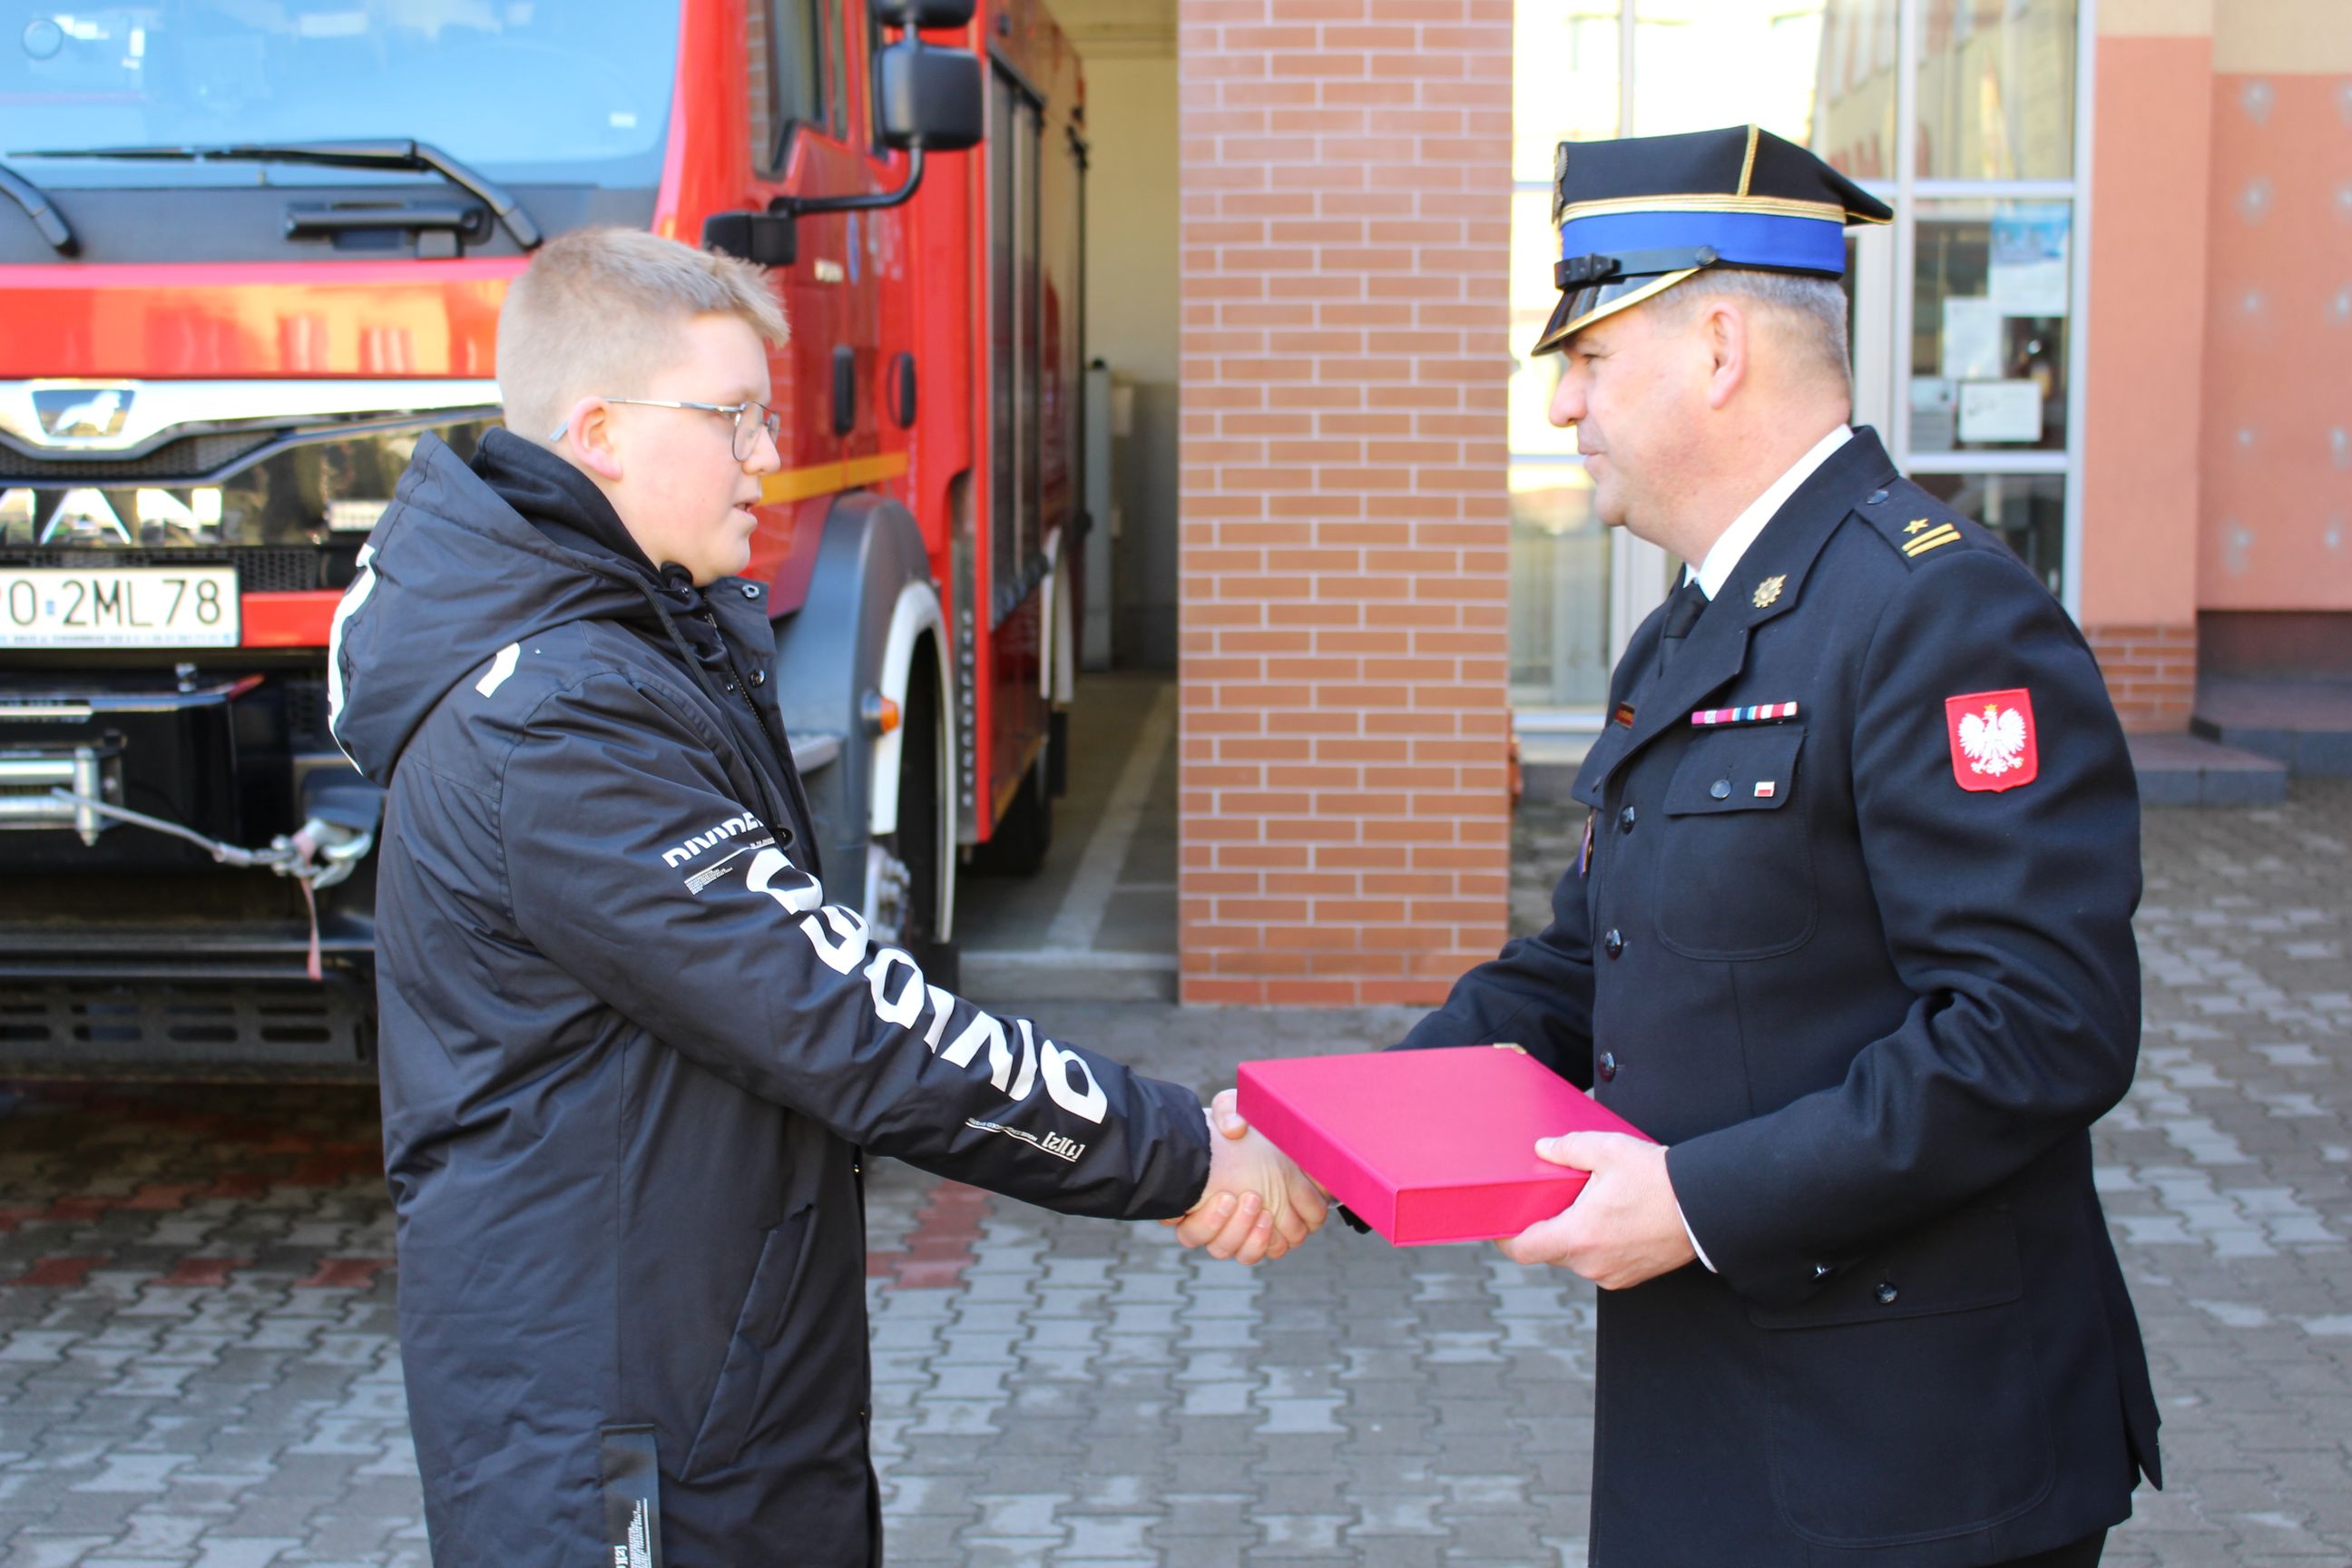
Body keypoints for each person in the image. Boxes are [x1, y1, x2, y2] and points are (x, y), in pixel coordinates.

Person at [327, 227, 1323, 1566]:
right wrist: (1184, 1153)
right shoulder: (560, 724)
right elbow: (848, 1017)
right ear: (600, 431)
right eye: (731, 418)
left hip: (694, 1393)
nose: (765, 456)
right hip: (620, 1438)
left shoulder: (632, 645)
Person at [1388, 128, 2160, 1565]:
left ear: (1720, 347)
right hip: (1723, 1427)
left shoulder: (1938, 614)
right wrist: (1336, 1134)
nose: (1562, 404)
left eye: (1591, 356)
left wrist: (1692, 1203)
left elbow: (2038, 1028)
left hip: (1916, 1468)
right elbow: (1588, 968)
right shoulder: (1691, 629)